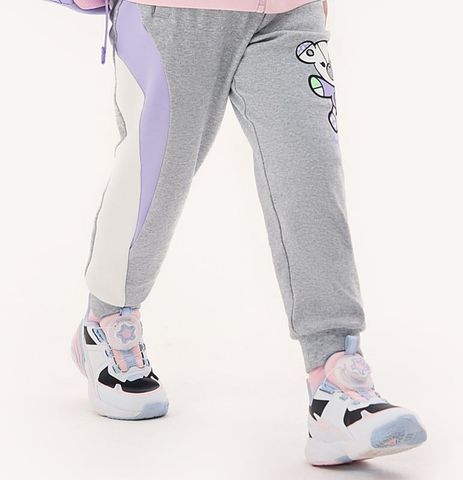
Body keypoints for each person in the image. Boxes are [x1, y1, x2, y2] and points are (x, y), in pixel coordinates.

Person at [66, 0, 427, 465]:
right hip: (171, 13)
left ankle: (335, 381)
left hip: (287, 13)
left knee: (309, 172)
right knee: (156, 174)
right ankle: (105, 322)